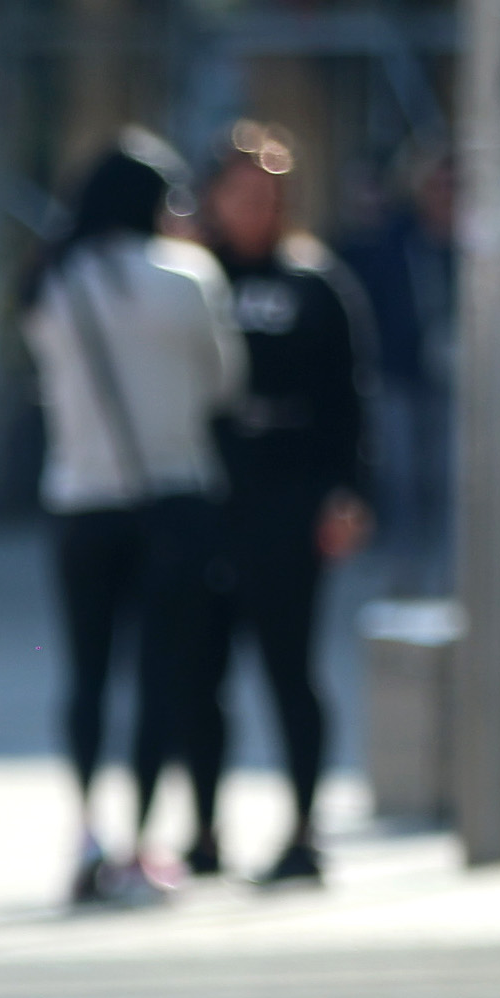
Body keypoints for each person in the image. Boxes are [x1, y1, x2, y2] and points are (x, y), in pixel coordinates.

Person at [20, 132, 243, 904]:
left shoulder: (54, 283)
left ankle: (86, 828)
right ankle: (144, 842)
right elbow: (224, 384)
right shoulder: (189, 279)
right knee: (160, 673)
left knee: (85, 673)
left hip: (80, 499)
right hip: (173, 497)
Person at [194, 122, 373, 888]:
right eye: (240, 194)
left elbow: (351, 401)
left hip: (291, 499)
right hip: (207, 499)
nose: (254, 209)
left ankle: (304, 827)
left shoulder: (316, 285)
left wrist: (352, 494)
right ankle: (201, 828)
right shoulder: (192, 281)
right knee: (196, 671)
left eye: (268, 195)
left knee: (289, 668)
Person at [339, 147, 454, 585]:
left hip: (457, 382)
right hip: (397, 375)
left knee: (451, 478)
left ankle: (450, 573)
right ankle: (404, 573)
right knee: (400, 476)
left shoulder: (472, 244)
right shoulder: (394, 239)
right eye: (437, 184)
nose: (446, 194)